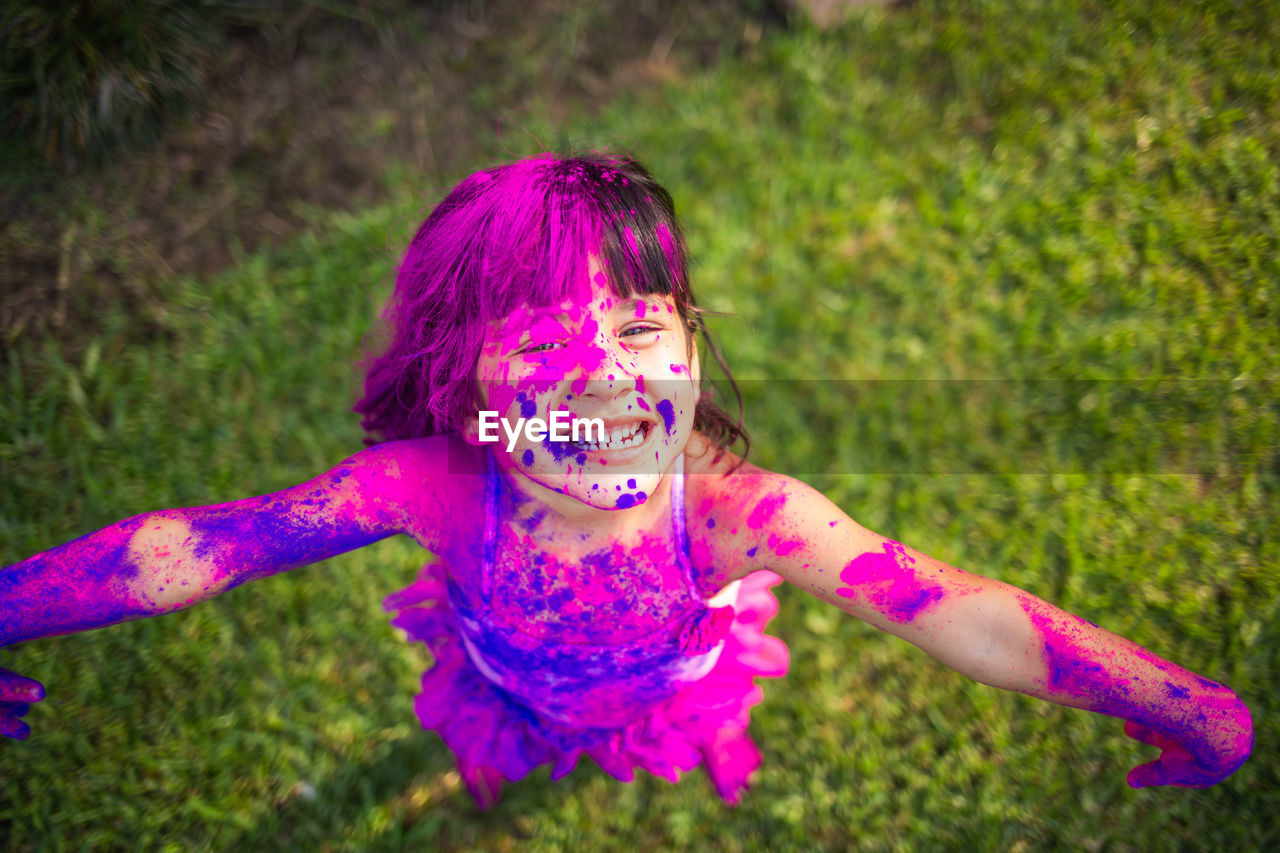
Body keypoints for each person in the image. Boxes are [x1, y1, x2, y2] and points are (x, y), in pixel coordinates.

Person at [0, 152, 1253, 809]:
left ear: (689, 343)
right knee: (510, 737)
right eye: (544, 343)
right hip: (504, 664)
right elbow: (205, 545)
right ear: (468, 380)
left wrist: (1175, 696)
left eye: (641, 330)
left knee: (642, 737)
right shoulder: (431, 486)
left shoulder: (735, 514)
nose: (605, 380)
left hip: (664, 680)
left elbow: (956, 607)